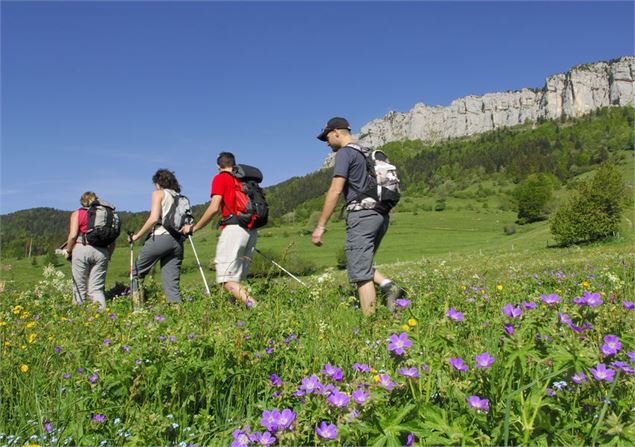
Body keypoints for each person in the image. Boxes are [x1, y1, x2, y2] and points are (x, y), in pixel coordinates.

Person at [311, 117, 405, 316]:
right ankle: (389, 286)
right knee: (361, 264)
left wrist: (320, 226)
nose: (326, 142)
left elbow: (335, 190)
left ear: (337, 132)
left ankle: (370, 325)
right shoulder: (366, 153)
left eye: (327, 137)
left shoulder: (345, 153)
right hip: (380, 215)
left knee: (360, 274)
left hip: (361, 215)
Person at [181, 152, 257, 308]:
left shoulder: (220, 178)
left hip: (234, 229)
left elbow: (215, 206)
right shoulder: (243, 179)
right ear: (233, 163)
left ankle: (258, 309)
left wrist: (195, 227)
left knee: (226, 280)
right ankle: (235, 316)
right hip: (250, 230)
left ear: (218, 166)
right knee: (235, 280)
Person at [128, 169, 185, 304]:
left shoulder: (158, 194)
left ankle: (137, 307)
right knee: (171, 282)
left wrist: (137, 236)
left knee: (136, 273)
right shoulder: (180, 197)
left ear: (158, 183)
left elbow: (154, 218)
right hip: (177, 242)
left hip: (160, 237)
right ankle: (177, 313)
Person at [63, 191, 112, 310]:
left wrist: (68, 251)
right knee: (96, 289)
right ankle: (102, 318)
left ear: (82, 201)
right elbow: (112, 239)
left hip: (82, 249)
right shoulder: (106, 214)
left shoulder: (78, 213)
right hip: (102, 251)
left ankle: (79, 318)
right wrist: (108, 255)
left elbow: (73, 235)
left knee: (79, 288)